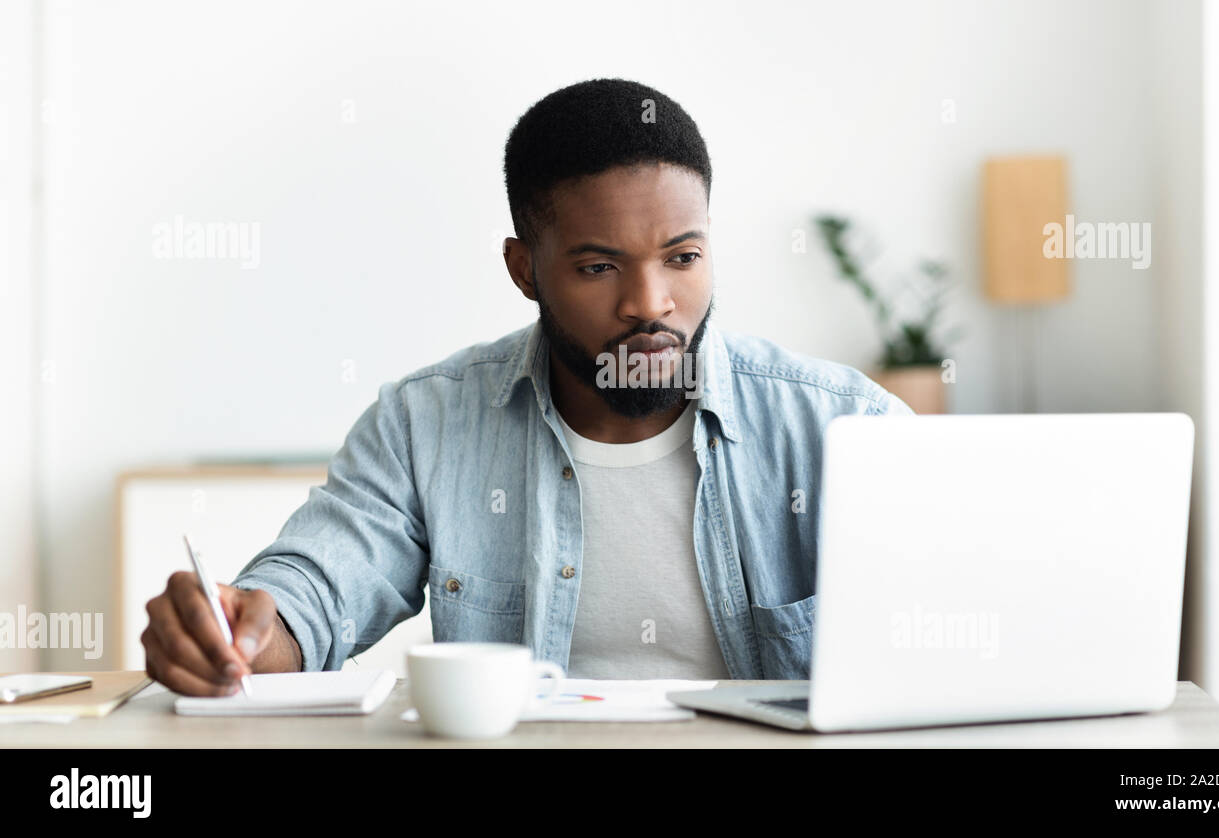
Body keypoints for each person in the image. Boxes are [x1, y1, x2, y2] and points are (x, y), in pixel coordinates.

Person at [141, 77, 914, 696]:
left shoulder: (846, 427)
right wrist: (235, 632)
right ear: (524, 270)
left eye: (682, 257)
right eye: (599, 266)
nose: (650, 302)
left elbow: (957, 624)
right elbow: (313, 593)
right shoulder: (427, 424)